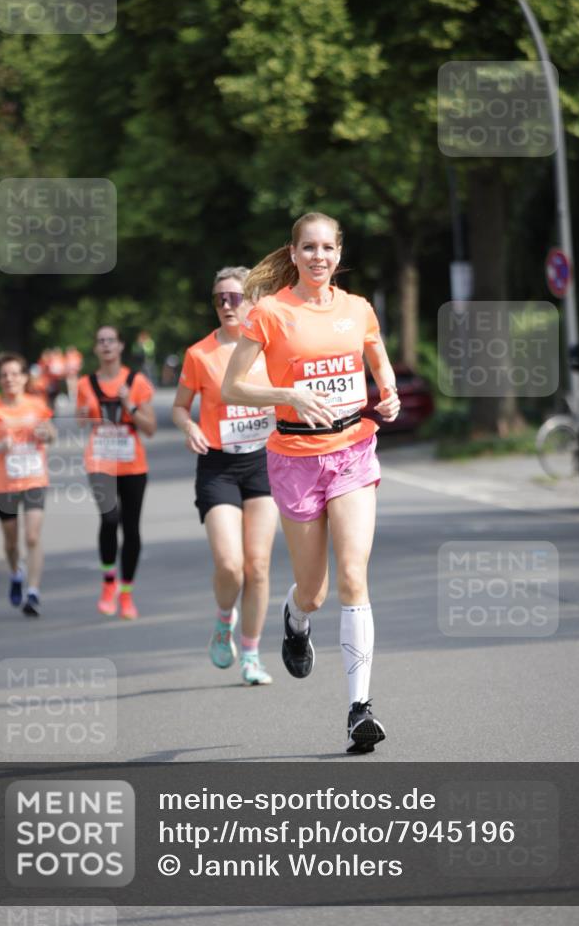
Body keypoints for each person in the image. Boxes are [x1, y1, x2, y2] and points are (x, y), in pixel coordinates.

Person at [222, 213, 400, 752]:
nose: (318, 256)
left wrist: (389, 394)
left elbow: (379, 361)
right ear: (293, 253)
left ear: (338, 253)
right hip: (295, 458)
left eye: (327, 248)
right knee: (314, 591)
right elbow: (233, 387)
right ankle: (296, 620)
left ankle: (359, 709)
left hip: (352, 451)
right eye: (309, 248)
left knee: (352, 576)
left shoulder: (357, 308)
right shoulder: (271, 313)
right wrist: (289, 395)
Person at [173, 267, 279, 686]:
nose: (227, 306)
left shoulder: (270, 349)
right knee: (231, 566)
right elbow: (180, 407)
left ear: (252, 301)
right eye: (219, 299)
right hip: (218, 466)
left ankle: (251, 654)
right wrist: (189, 427)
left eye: (235, 297)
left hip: (264, 463)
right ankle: (223, 619)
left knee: (258, 565)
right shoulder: (199, 354)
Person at [76, 326, 156, 620]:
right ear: (95, 349)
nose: (106, 345)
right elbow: (81, 421)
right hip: (100, 462)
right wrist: (86, 413)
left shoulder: (136, 381)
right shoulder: (85, 383)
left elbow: (150, 428)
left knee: (131, 528)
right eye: (101, 341)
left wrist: (128, 405)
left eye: (111, 340)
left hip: (133, 464)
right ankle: (108, 582)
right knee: (109, 519)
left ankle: (126, 593)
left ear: (121, 346)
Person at [0, 352, 56, 616]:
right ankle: (16, 572)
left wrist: (45, 433)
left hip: (34, 478)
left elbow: (51, 434)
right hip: (4, 484)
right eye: (4, 375)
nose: (10, 379)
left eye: (15, 374)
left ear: (24, 378)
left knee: (32, 536)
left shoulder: (37, 405)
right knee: (10, 542)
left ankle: (33, 592)